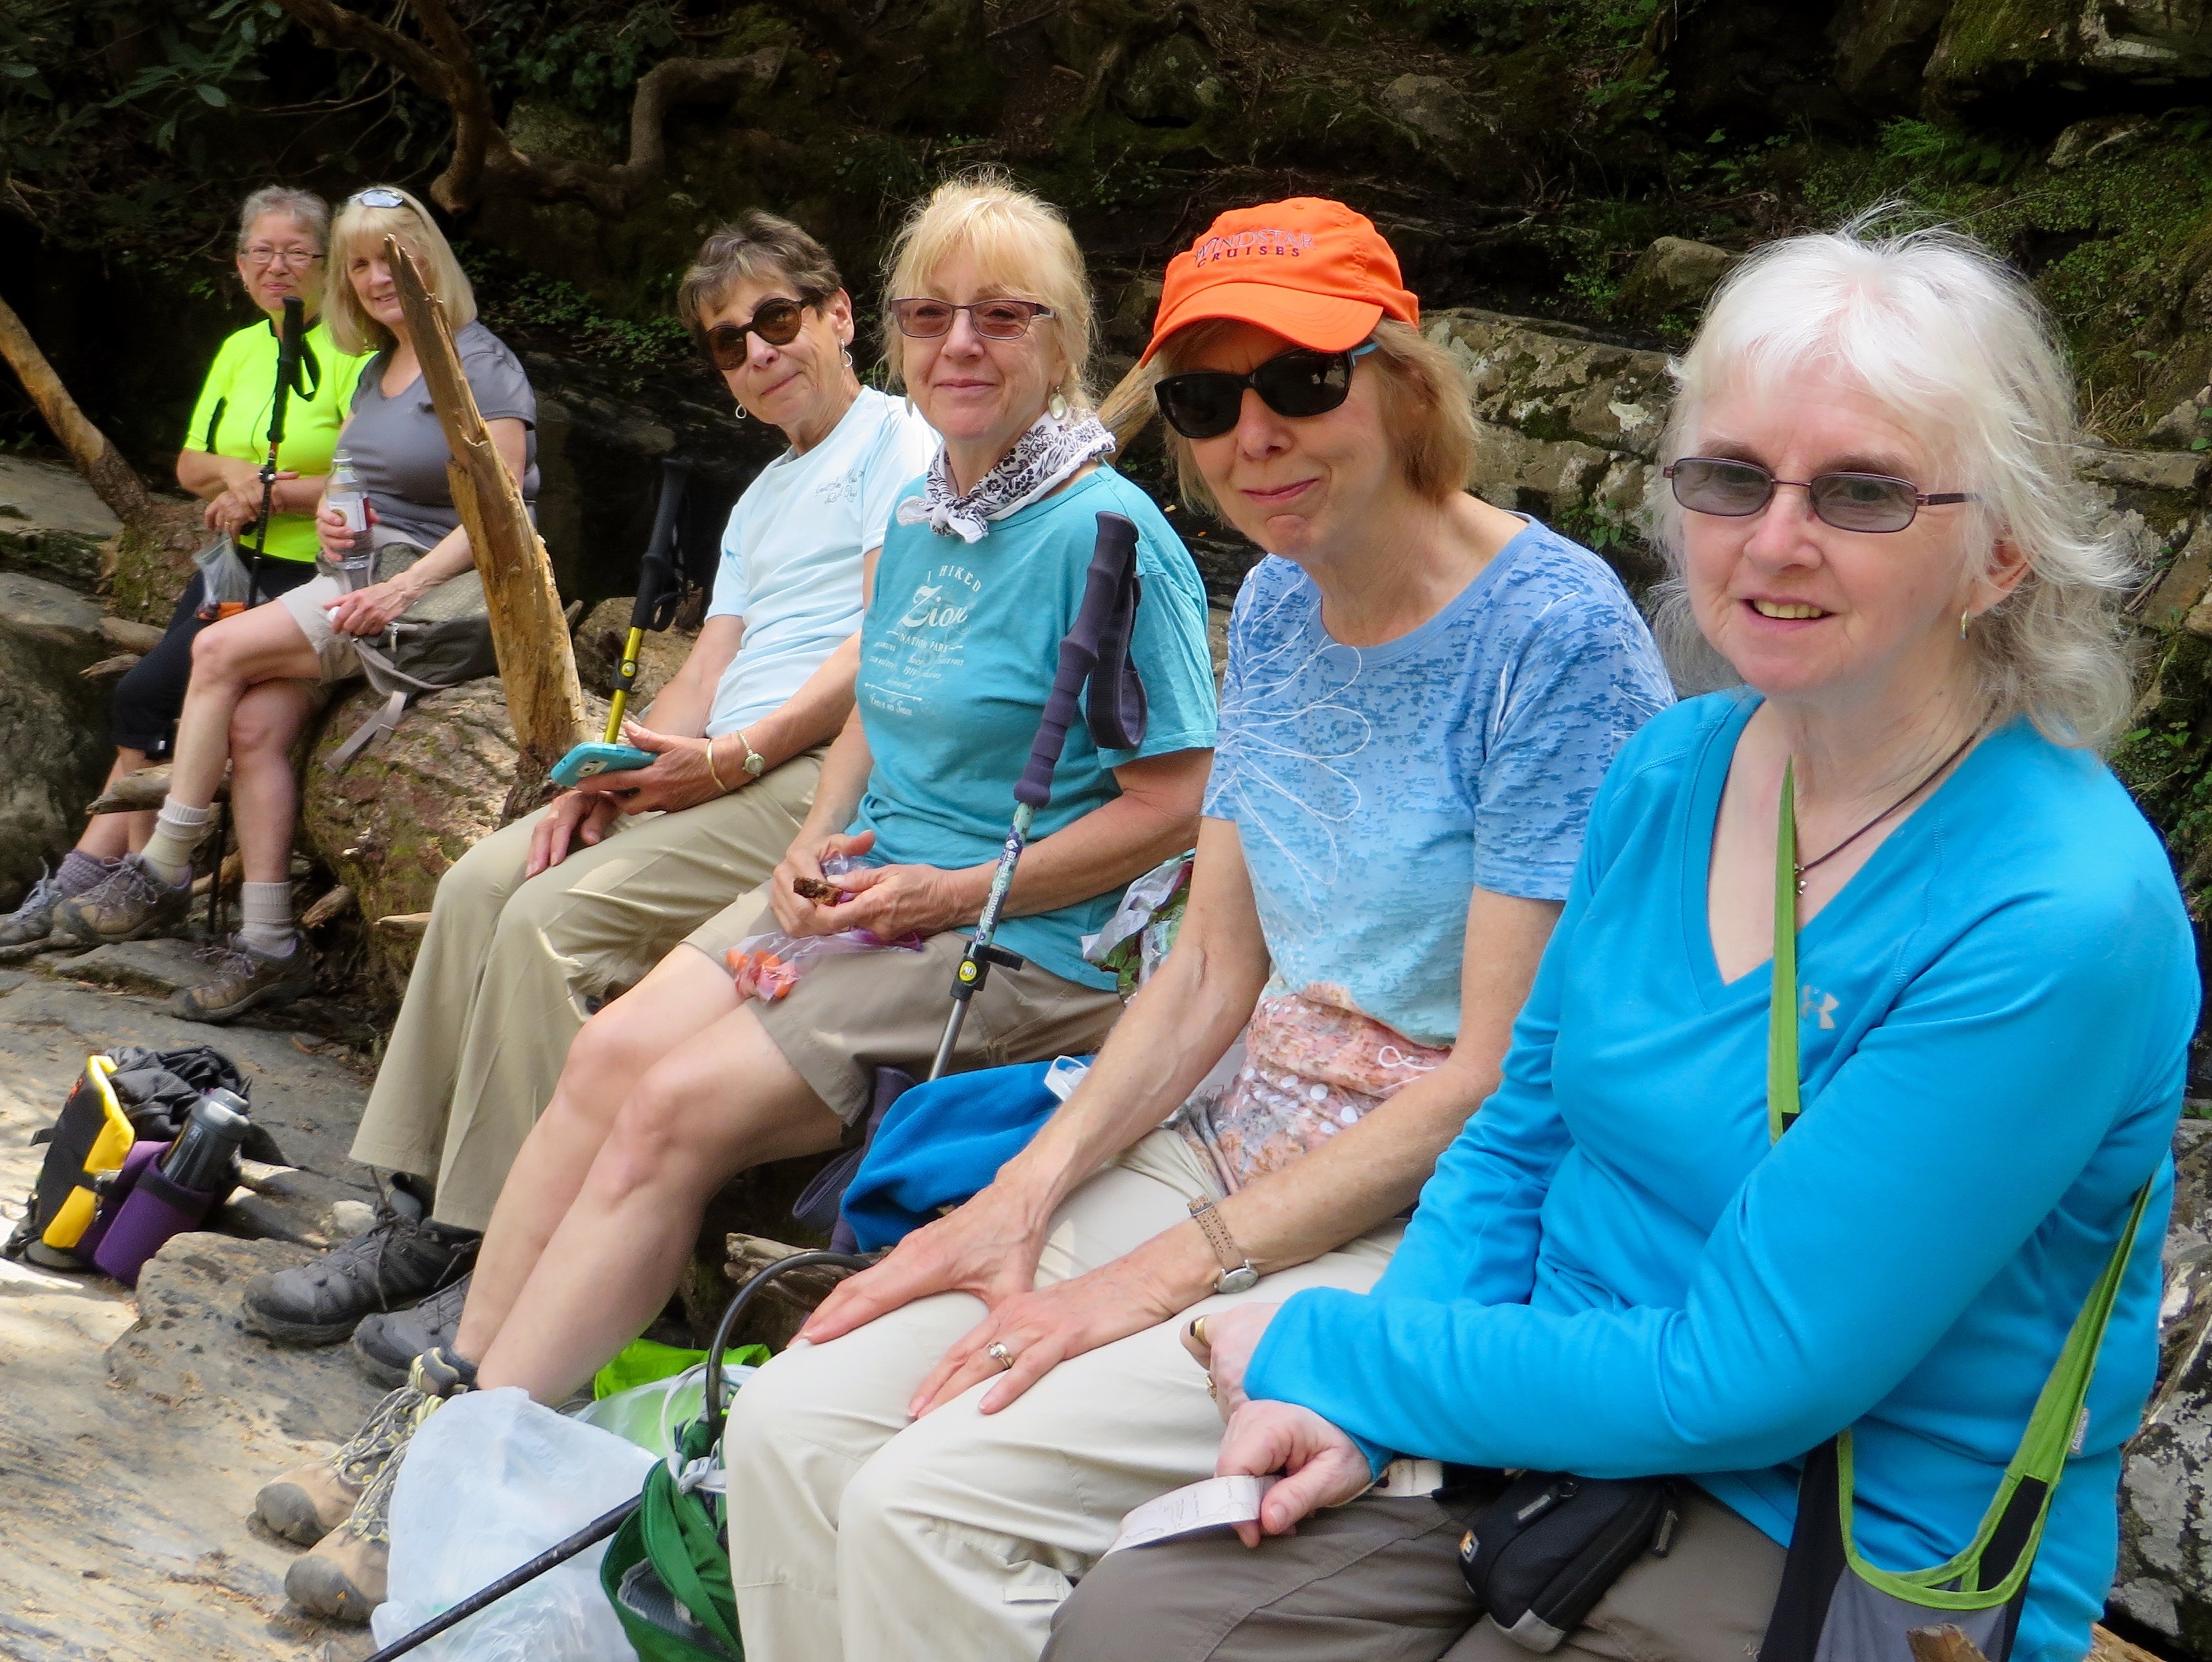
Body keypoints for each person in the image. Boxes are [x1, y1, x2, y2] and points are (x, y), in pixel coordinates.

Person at [1048, 219, 2198, 1662]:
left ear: (1997, 552)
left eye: (1858, 493)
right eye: (1729, 479)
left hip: (1830, 1532)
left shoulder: (2050, 914)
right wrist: (1370, 1399)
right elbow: (1517, 1129)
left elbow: (1749, 1376)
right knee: (1139, 1624)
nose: (1773, 541)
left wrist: (1343, 1350)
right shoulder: (1673, 770)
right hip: (1549, 1424)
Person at [257, 170, 1222, 1625]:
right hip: (856, 906)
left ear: (1060, 335)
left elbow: (1177, 805)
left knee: (667, 1110)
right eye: (930, 314)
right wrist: (806, 842)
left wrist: (949, 887)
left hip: (1007, 947)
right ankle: (443, 1416)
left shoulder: (1107, 538)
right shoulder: (925, 514)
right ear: (893, 331)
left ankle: (441, 1490)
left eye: (999, 316)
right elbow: (877, 722)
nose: (960, 342)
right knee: (602, 1057)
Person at [718, 197, 1674, 1662]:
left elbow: (1490, 1074)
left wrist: (1145, 1279)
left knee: (932, 1498)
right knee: (792, 1413)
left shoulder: (1553, 638)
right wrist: (1023, 1201)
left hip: (1426, 1217)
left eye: (1301, 381)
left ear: (1403, 386)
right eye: (1206, 400)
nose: (1255, 436)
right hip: (1225, 1143)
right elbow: (1213, 969)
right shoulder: (1279, 605)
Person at [236, 211, 939, 1382]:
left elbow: (879, 646)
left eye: (775, 320)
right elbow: (706, 664)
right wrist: (621, 771)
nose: (756, 352)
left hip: (820, 775)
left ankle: (504, 1244)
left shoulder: (898, 445)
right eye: (727, 341)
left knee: (550, 926)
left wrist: (725, 761)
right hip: (722, 769)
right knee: (478, 882)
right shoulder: (766, 492)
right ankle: (422, 1215)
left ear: (837, 317)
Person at [49, 185, 538, 1022]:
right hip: (354, 581)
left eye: (393, 256)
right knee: (254, 726)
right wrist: (341, 523)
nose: (379, 277)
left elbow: (505, 515)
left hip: (435, 597)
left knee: (215, 651)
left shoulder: (478, 361)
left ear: (431, 261)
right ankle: (272, 944)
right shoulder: (381, 365)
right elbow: (352, 480)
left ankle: (166, 863)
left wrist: (402, 585)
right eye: (359, 264)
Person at [0, 186, 367, 961]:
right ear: (238, 263)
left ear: (330, 266)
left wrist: (271, 491)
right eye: (262, 252)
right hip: (236, 564)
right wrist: (236, 477)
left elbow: (369, 475)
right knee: (151, 696)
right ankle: (115, 875)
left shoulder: (356, 352)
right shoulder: (241, 349)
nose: (277, 267)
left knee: (160, 697)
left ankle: (103, 877)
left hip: (313, 570)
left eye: (296, 253)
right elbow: (190, 465)